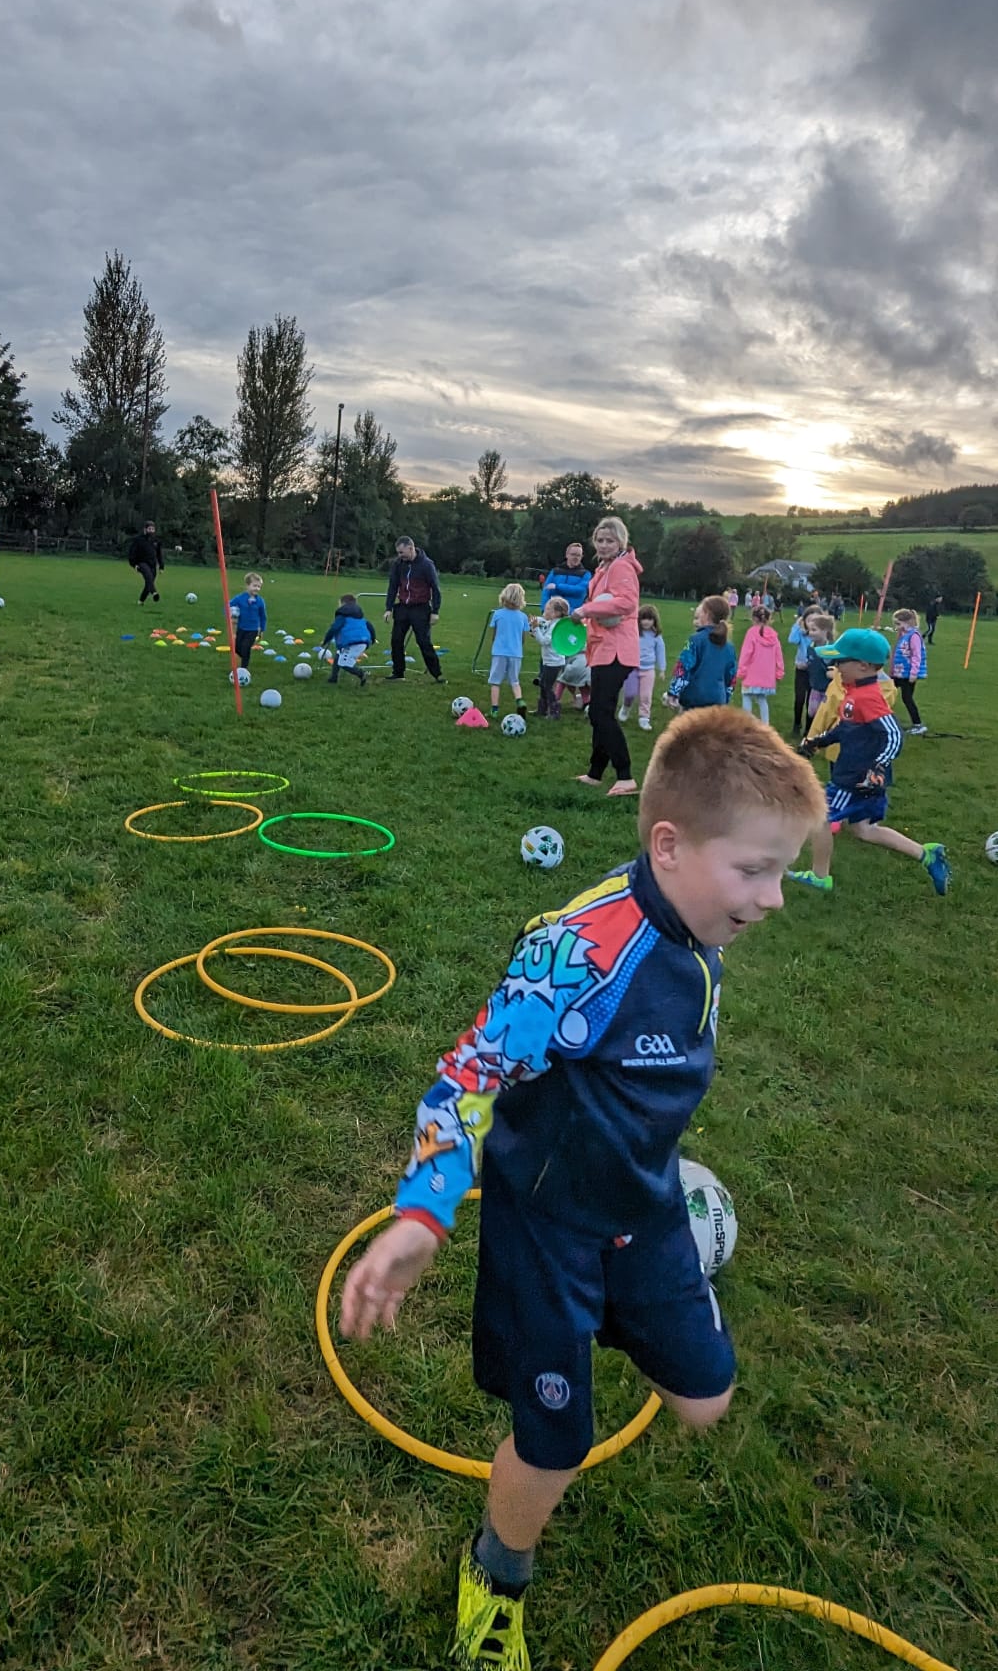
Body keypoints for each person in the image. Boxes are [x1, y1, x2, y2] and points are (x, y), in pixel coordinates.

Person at [339, 709, 825, 1671]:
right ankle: (495, 1575)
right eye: (755, 870)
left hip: (642, 1205)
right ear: (668, 846)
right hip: (550, 1228)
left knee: (706, 1402)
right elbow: (467, 1076)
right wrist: (423, 1212)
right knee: (554, 1443)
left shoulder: (698, 920)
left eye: (782, 871)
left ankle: (640, 1293)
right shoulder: (580, 956)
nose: (774, 899)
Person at [789, 629, 949, 897]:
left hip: (855, 779)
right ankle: (927, 854)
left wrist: (877, 767)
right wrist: (819, 741)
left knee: (820, 816)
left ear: (862, 666)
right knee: (864, 830)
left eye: (841, 661)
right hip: (859, 778)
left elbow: (894, 734)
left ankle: (819, 876)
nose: (836, 666)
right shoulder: (853, 693)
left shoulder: (868, 698)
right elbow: (846, 729)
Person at [571, 515, 642, 797]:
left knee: (600, 712)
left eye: (609, 540)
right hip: (603, 648)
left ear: (620, 542)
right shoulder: (604, 568)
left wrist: (586, 610)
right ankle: (595, 773)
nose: (603, 545)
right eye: (599, 540)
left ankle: (625, 776)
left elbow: (626, 603)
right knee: (599, 712)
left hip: (616, 650)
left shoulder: (621, 566)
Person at [384, 536, 444, 682]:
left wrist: (435, 611)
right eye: (398, 553)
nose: (399, 555)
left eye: (401, 552)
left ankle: (437, 674)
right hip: (403, 607)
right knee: (396, 640)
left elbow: (435, 588)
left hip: (421, 608)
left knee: (423, 641)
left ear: (411, 548)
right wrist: (388, 608)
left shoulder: (426, 565)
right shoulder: (398, 564)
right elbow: (393, 586)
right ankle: (398, 673)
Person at [667, 596, 736, 711]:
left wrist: (674, 691)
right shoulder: (729, 647)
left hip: (694, 700)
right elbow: (731, 677)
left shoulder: (695, 640)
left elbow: (684, 667)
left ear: (706, 614)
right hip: (718, 701)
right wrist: (726, 697)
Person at [735, 605, 784, 726]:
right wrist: (779, 672)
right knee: (762, 699)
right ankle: (765, 725)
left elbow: (746, 653)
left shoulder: (751, 633)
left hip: (751, 673)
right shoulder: (773, 635)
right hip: (766, 676)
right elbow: (779, 655)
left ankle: (746, 724)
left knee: (746, 696)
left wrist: (741, 670)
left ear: (754, 618)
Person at [620, 605, 667, 730]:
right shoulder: (634, 632)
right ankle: (626, 707)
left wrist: (662, 669)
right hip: (632, 669)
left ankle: (644, 718)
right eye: (643, 619)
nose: (646, 622)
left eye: (649, 619)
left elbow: (660, 652)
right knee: (630, 693)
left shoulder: (656, 636)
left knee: (646, 695)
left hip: (648, 670)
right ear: (638, 619)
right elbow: (625, 646)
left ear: (654, 620)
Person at [487, 584, 531, 718]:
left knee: (495, 682)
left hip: (499, 653)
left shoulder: (497, 614)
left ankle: (494, 710)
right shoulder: (523, 617)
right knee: (515, 681)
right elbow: (523, 638)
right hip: (516, 653)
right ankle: (519, 700)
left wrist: (494, 645)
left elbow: (494, 634)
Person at [322, 593, 375, 686]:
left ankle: (362, 674)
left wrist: (325, 640)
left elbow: (334, 628)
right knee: (339, 654)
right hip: (363, 641)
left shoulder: (342, 615)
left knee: (344, 663)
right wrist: (373, 639)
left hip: (353, 643)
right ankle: (333, 678)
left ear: (343, 604)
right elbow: (370, 626)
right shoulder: (359, 616)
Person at [529, 594, 569, 718]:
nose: (544, 611)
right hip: (548, 660)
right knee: (543, 684)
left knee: (547, 686)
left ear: (556, 613)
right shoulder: (553, 623)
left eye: (547, 609)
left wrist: (536, 629)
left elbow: (544, 641)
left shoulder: (556, 626)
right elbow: (544, 637)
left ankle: (554, 710)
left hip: (553, 662)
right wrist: (535, 631)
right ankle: (542, 709)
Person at [890, 609, 927, 735]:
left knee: (907, 698)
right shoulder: (903, 634)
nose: (896, 627)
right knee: (887, 692)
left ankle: (918, 724)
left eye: (898, 624)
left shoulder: (914, 636)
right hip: (898, 673)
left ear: (907, 623)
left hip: (907, 674)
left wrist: (913, 673)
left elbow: (917, 656)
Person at [540, 542, 591, 615]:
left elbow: (580, 590)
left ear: (581, 557)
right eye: (573, 554)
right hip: (553, 614)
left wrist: (557, 587)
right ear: (567, 555)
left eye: (578, 555)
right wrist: (544, 609)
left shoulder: (586, 574)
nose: (576, 557)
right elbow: (546, 592)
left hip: (573, 615)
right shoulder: (555, 571)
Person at [228, 572, 267, 668]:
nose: (257, 588)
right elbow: (227, 606)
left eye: (259, 586)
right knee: (236, 647)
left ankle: (244, 667)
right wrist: (230, 614)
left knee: (246, 647)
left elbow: (263, 616)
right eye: (254, 586)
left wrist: (262, 629)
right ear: (247, 585)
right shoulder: (239, 598)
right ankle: (245, 656)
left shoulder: (260, 601)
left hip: (253, 630)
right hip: (241, 628)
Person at [788, 604, 815, 735]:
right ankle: (797, 724)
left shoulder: (819, 636)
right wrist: (797, 625)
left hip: (814, 672)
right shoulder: (801, 634)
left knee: (812, 701)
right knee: (799, 698)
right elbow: (792, 640)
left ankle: (809, 729)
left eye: (815, 621)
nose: (812, 624)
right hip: (801, 670)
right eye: (809, 620)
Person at [128, 522, 165, 604]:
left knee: (149, 582)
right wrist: (134, 564)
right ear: (145, 530)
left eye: (152, 529)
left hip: (153, 564)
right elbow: (132, 553)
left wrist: (161, 566)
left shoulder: (156, 541)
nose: (151, 531)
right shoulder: (138, 540)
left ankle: (141, 601)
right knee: (148, 577)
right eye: (149, 529)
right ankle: (154, 593)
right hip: (141, 563)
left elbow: (159, 554)